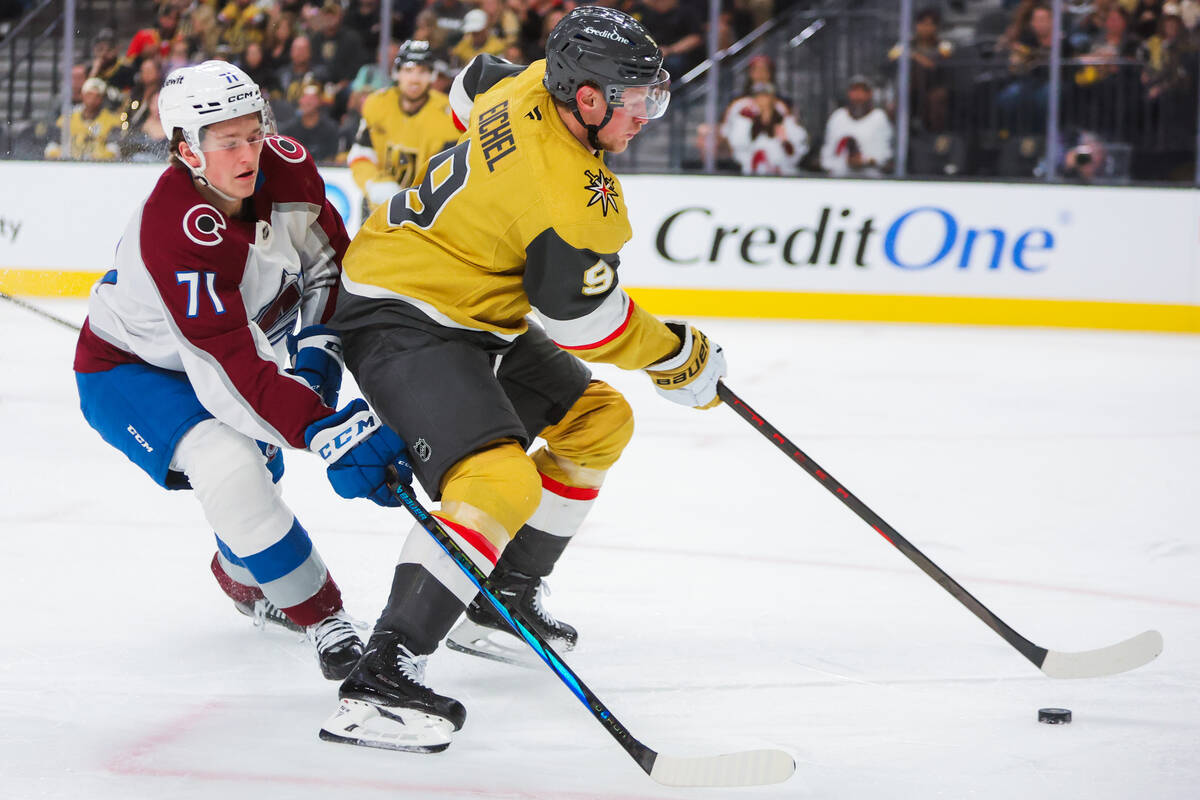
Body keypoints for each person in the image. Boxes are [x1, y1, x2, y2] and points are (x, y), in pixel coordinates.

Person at [319, 5, 728, 753]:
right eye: (634, 100)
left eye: (650, 97)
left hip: (474, 312)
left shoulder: (534, 83)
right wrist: (677, 355)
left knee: (600, 421)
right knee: (500, 485)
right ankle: (380, 677)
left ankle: (500, 596)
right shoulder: (570, 197)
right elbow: (588, 324)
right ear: (590, 99)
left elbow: (468, 90)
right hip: (401, 315)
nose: (645, 115)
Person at [71, 61, 412, 683]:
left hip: (229, 360)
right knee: (231, 465)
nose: (247, 151)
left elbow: (329, 271)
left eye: (253, 132)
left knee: (260, 473)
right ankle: (324, 617)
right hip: (129, 372)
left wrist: (319, 360)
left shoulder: (286, 167)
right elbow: (225, 374)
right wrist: (325, 428)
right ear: (186, 149)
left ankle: (239, 571)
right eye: (226, 141)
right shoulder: (175, 230)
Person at [348, 40, 460, 212]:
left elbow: (448, 178)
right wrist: (374, 183)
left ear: (432, 75)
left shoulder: (449, 115)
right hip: (377, 209)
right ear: (396, 73)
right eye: (408, 70)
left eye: (422, 71)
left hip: (424, 214)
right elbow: (361, 154)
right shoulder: (377, 104)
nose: (414, 79)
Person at [725, 81, 808, 175]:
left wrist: (785, 142)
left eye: (766, 96)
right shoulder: (744, 122)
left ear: (773, 98)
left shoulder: (786, 122)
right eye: (758, 96)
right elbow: (737, 149)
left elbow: (797, 153)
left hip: (783, 175)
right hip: (751, 174)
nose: (762, 100)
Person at [819, 74, 893, 177]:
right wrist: (845, 162)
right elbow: (826, 157)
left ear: (870, 94)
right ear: (848, 93)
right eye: (854, 91)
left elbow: (885, 157)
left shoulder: (879, 118)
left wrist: (865, 161)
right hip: (839, 181)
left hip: (872, 182)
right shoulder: (837, 117)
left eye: (863, 91)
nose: (858, 96)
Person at [44, 77, 123, 160]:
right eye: (89, 94)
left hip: (98, 167)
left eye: (97, 96)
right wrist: (65, 156)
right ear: (83, 95)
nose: (92, 99)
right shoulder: (67, 119)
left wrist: (97, 158)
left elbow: (114, 150)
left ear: (102, 98)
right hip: (68, 165)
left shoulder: (112, 120)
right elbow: (51, 147)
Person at [280, 82, 342, 161]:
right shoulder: (289, 130)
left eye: (311, 98)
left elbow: (332, 157)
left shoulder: (331, 128)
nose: (306, 101)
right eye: (304, 97)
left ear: (319, 101)